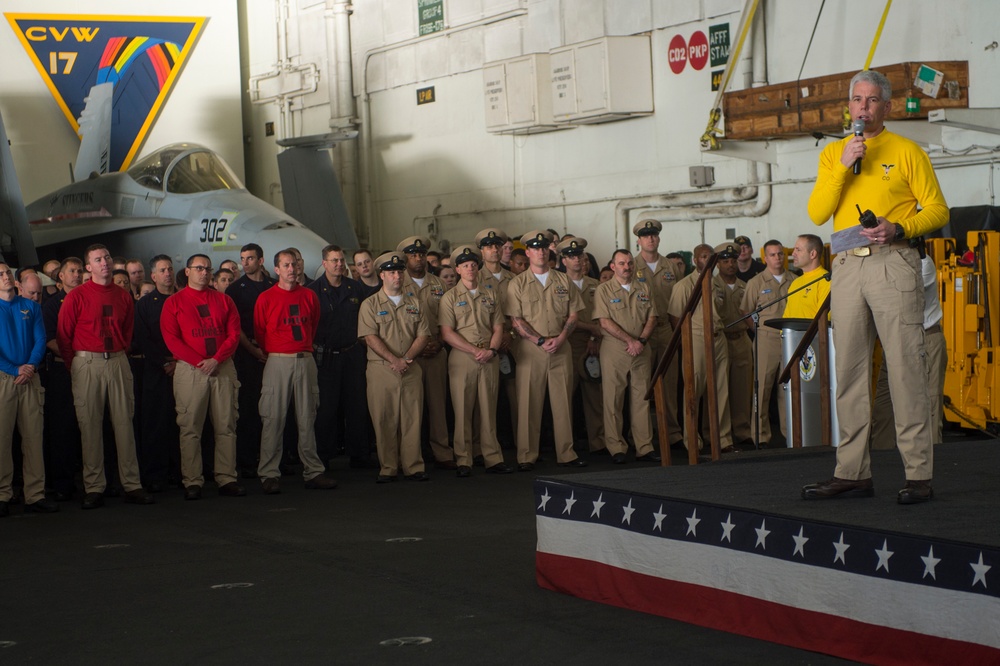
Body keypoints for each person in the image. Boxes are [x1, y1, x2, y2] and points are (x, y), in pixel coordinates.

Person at [802, 69, 948, 504]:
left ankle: (919, 475)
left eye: (871, 100)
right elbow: (817, 213)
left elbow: (938, 210)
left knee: (905, 369)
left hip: (893, 262)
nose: (863, 107)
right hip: (846, 266)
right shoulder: (834, 155)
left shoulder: (906, 151)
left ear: (886, 106)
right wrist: (843, 166)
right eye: (857, 100)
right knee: (847, 373)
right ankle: (852, 472)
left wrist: (900, 227)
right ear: (849, 107)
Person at [56, 244, 154, 509]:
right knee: (90, 426)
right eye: (98, 259)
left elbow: (127, 329)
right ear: (89, 267)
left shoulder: (122, 296)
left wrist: (118, 353)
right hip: (87, 362)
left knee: (124, 424)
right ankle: (94, 487)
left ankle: (131, 485)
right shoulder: (77, 296)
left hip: (118, 361)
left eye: (108, 257)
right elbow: (64, 336)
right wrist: (75, 365)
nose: (105, 262)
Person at [160, 254, 245, 499]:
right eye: (199, 268)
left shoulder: (225, 300)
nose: (204, 272)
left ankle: (226, 478)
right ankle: (192, 481)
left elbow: (233, 333)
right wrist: (201, 362)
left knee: (226, 425)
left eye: (208, 269)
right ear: (187, 272)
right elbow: (172, 340)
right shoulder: (174, 302)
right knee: (190, 427)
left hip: (223, 366)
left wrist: (216, 359)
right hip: (190, 369)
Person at [253, 249, 338, 494]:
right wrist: (278, 350)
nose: (292, 269)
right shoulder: (266, 298)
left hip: (305, 359)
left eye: (294, 264)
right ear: (277, 269)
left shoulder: (309, 296)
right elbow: (260, 331)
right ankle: (269, 474)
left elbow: (312, 326)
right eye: (286, 265)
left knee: (307, 417)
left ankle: (313, 471)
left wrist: (301, 349)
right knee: (273, 418)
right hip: (278, 361)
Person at [505, 230, 586, 470]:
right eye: (535, 248)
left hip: (561, 346)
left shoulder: (563, 280)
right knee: (529, 403)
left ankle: (566, 453)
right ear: (528, 252)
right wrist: (540, 341)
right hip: (531, 350)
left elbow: (574, 314)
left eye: (543, 248)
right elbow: (515, 320)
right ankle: (526, 455)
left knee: (563, 403)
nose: (540, 252)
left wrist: (561, 337)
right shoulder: (517, 283)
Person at [438, 245, 512, 476]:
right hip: (463, 357)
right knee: (462, 410)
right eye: (465, 265)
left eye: (473, 265)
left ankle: (492, 457)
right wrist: (473, 350)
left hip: (488, 356)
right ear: (457, 270)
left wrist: (491, 349)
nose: (470, 269)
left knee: (489, 409)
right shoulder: (449, 297)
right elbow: (447, 333)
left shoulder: (490, 294)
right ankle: (464, 459)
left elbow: (499, 327)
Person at [357, 252, 432, 482]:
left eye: (399, 271)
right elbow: (369, 337)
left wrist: (406, 359)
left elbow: (423, 335)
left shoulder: (415, 303)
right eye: (391, 272)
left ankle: (413, 466)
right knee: (384, 418)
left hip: (410, 367)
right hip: (382, 369)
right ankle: (388, 467)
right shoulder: (370, 304)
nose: (397, 276)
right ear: (382, 275)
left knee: (412, 418)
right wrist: (394, 359)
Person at [307, 244, 378, 470]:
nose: (339, 264)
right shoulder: (313, 291)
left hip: (352, 354)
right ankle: (324, 457)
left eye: (341, 260)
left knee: (357, 407)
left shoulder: (355, 288)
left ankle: (360, 455)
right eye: (334, 260)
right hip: (325, 357)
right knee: (326, 409)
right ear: (324, 264)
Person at [871, 240, 947, 449]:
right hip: (894, 342)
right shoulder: (889, 263)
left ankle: (933, 464)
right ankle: (882, 456)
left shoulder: (924, 264)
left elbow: (903, 298)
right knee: (883, 407)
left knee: (928, 407)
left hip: (925, 340)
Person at [591, 249, 661, 463]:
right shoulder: (603, 290)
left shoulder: (644, 287)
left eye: (630, 263)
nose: (626, 267)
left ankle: (644, 446)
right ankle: (616, 447)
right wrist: (630, 341)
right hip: (615, 350)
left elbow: (652, 317)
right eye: (621, 263)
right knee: (613, 399)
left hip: (641, 348)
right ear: (613, 266)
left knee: (642, 399)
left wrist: (640, 341)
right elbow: (604, 321)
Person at [0, 263, 57, 516]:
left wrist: (31, 366)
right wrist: (15, 370)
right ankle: (3, 494)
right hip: (4, 378)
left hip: (30, 377)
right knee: (2, 439)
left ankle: (35, 494)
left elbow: (41, 339)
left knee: (34, 438)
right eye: (0, 274)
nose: (5, 277)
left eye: (7, 273)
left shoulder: (31, 306)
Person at [666, 243, 735, 453]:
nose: (707, 260)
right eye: (703, 256)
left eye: (711, 256)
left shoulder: (717, 284)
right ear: (695, 260)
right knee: (693, 390)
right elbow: (675, 319)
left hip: (718, 338)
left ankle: (721, 438)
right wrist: (685, 344)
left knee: (721, 390)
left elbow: (722, 312)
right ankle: (692, 440)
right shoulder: (684, 286)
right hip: (695, 339)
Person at [397, 236, 455, 469]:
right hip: (410, 355)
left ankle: (442, 452)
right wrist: (415, 348)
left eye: (421, 254)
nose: (418, 258)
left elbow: (448, 319)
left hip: (436, 350)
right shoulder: (398, 283)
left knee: (438, 405)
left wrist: (440, 342)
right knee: (410, 407)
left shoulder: (438, 284)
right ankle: (410, 455)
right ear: (406, 258)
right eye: (413, 255)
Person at [226, 243, 276, 478]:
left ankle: (274, 458)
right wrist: (255, 352)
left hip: (273, 354)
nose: (245, 262)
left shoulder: (272, 286)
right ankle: (246, 460)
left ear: (261, 260)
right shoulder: (235, 290)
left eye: (250, 258)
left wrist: (269, 350)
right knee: (247, 408)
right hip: (248, 355)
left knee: (274, 409)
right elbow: (235, 329)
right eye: (242, 258)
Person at [632, 219, 682, 446]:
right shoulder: (631, 267)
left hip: (665, 329)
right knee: (640, 387)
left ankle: (672, 433)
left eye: (653, 234)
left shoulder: (671, 267)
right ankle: (642, 438)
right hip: (640, 334)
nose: (650, 238)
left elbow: (678, 301)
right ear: (639, 240)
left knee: (669, 385)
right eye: (645, 235)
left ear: (659, 238)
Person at [133, 255, 179, 492]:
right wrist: (164, 362)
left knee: (182, 422)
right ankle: (155, 474)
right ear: (153, 276)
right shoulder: (145, 304)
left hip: (184, 367)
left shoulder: (184, 299)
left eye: (170, 269)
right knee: (156, 422)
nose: (168, 274)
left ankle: (180, 471)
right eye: (162, 270)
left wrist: (179, 362)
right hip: (155, 370)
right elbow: (142, 338)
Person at [740, 240, 791, 446]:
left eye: (780, 254)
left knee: (787, 390)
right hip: (765, 339)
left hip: (789, 339)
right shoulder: (757, 282)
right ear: (764, 258)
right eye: (772, 254)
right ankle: (760, 436)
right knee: (762, 389)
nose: (777, 258)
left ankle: (790, 433)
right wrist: (757, 331)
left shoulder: (795, 280)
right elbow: (745, 311)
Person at [42, 258, 84, 502]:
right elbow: (50, 339)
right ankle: (63, 483)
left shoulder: (88, 298)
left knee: (89, 425)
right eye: (72, 271)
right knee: (63, 428)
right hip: (63, 370)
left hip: (90, 368)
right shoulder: (51, 305)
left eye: (80, 271)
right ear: (61, 277)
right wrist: (75, 359)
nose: (77, 275)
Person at [559, 237, 605, 454]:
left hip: (593, 344)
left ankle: (599, 441)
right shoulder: (557, 284)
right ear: (563, 260)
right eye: (571, 256)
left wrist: (595, 338)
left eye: (579, 255)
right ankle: (567, 445)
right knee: (565, 398)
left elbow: (603, 317)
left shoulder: (596, 285)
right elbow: (560, 319)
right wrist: (590, 329)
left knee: (595, 396)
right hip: (567, 344)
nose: (576, 259)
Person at [715, 242, 753, 448]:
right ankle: (722, 435)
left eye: (733, 260)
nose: (730, 264)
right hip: (720, 340)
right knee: (721, 390)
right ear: (718, 264)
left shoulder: (744, 287)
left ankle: (743, 430)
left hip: (741, 339)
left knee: (742, 388)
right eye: (725, 261)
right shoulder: (711, 286)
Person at [783, 235, 830, 319]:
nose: (793, 253)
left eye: (798, 250)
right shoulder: (795, 283)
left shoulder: (826, 281)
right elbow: (786, 316)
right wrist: (782, 332)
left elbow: (824, 320)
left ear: (812, 254)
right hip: (792, 332)